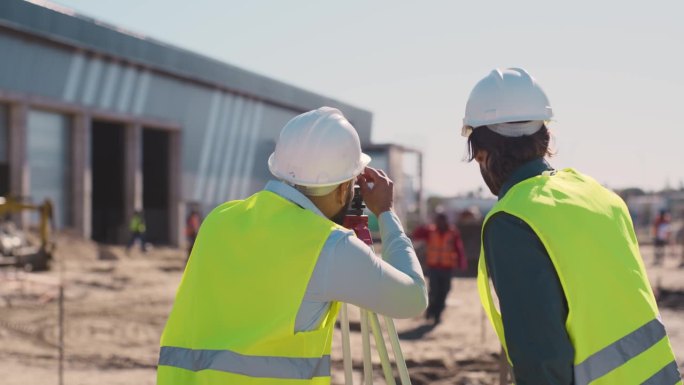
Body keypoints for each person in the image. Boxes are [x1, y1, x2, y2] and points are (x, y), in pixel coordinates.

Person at [157, 107, 427, 385]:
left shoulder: (219, 219)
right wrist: (385, 212)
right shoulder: (328, 245)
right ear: (344, 188)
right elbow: (414, 297)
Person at [461, 68, 681, 384]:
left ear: (481, 152)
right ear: (545, 137)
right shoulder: (601, 196)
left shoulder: (512, 221)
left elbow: (541, 357)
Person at [411, 213, 467, 324]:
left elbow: (458, 248)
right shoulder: (430, 231)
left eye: (442, 221)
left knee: (444, 291)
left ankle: (438, 314)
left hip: (447, 268)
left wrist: (462, 263)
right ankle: (431, 311)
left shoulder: (453, 233)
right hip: (433, 268)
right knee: (434, 291)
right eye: (438, 221)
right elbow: (416, 235)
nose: (440, 223)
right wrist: (423, 225)